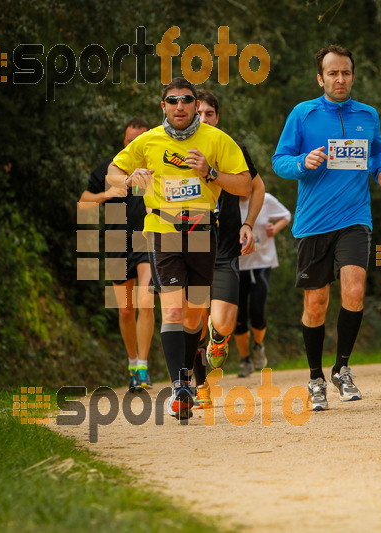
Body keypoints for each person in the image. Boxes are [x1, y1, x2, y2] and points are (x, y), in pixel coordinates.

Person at [107, 78, 251, 419]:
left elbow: (244, 184)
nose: (180, 106)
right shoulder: (147, 141)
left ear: (193, 104)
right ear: (164, 107)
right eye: (173, 101)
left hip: (201, 231)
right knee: (172, 312)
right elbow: (113, 171)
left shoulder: (217, 139)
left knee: (194, 315)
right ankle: (179, 386)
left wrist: (211, 172)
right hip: (164, 230)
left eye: (186, 100)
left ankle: (186, 376)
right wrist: (129, 179)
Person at [272, 44, 381, 411]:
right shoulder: (303, 113)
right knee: (316, 303)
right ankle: (315, 378)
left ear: (352, 76)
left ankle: (342, 368)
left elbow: (377, 151)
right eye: (332, 73)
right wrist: (301, 162)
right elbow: (279, 160)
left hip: (355, 217)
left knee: (355, 290)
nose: (339, 79)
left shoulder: (368, 114)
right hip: (313, 223)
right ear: (320, 78)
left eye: (345, 73)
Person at [191, 88, 265, 409]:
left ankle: (218, 338)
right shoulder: (177, 151)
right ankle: (199, 385)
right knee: (191, 319)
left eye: (209, 114)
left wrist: (248, 224)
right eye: (198, 114)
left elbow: (256, 187)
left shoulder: (233, 149)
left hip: (224, 247)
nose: (203, 118)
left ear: (217, 118)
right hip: (191, 242)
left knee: (223, 322)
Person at [78, 118, 154, 394]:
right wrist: (107, 193)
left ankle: (144, 366)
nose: (134, 144)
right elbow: (84, 200)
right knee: (124, 310)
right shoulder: (108, 168)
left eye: (140, 140)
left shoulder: (154, 168)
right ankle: (132, 364)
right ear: (124, 142)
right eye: (130, 140)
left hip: (146, 238)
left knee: (146, 302)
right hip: (115, 240)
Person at [235, 192, 292, 377]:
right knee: (239, 316)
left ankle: (258, 346)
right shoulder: (224, 201)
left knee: (257, 311)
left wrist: (275, 228)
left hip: (262, 263)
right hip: (236, 266)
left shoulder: (264, 199)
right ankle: (245, 361)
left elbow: (286, 215)